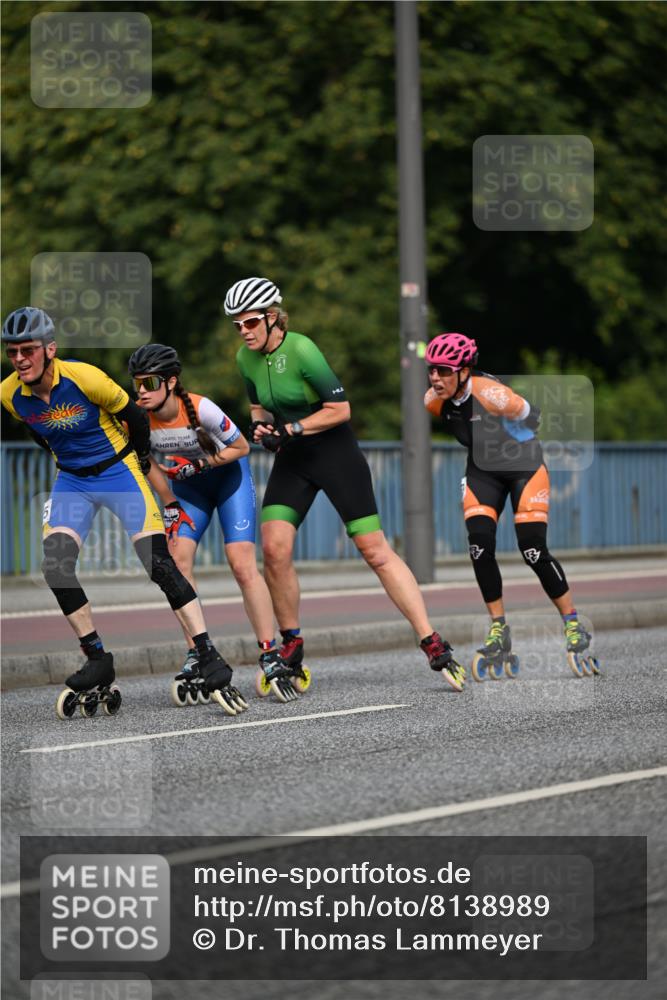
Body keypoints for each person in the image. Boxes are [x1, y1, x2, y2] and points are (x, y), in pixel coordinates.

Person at [0, 307, 248, 717]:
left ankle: (206, 654)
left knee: (159, 565)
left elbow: (134, 417)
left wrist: (143, 461)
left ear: (50, 349)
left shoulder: (85, 378)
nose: (20, 359)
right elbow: (36, 429)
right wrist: (66, 461)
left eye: (28, 350)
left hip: (119, 470)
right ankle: (97, 658)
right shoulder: (10, 394)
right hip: (72, 481)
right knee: (56, 566)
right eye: (12, 353)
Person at [224, 276, 466, 692]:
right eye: (237, 326)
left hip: (335, 454)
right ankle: (291, 645)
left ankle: (430, 639)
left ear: (272, 318)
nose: (243, 331)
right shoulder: (244, 359)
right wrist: (262, 429)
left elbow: (340, 408)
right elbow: (259, 407)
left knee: (374, 551)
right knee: (274, 549)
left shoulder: (301, 348)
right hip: (294, 459)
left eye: (249, 322)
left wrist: (293, 428)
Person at [423, 331, 599, 679]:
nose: (435, 378)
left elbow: (533, 416)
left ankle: (573, 623)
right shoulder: (433, 400)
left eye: (444, 370)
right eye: (431, 370)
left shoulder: (492, 394)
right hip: (482, 472)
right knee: (479, 546)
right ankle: (499, 628)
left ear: (464, 371)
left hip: (523, 467)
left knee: (531, 548)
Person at [127, 343, 297, 700]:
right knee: (176, 563)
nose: (141, 391)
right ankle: (196, 652)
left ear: (171, 382)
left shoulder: (202, 409)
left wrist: (202, 465)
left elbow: (241, 449)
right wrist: (170, 502)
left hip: (228, 480)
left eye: (149, 382)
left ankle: (269, 653)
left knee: (241, 564)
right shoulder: (139, 420)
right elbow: (146, 463)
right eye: (136, 384)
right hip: (188, 489)